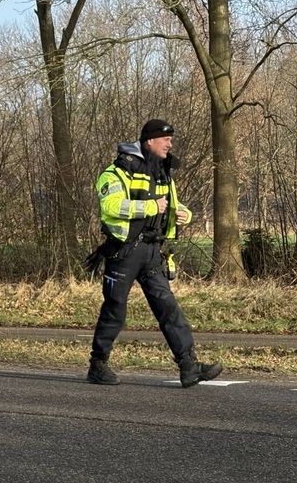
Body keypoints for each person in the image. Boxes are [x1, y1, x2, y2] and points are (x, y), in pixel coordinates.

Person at [84, 119, 222, 388]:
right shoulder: (116, 172)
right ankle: (98, 364)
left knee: (168, 307)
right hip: (124, 251)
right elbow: (110, 207)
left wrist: (184, 213)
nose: (170, 144)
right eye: (165, 139)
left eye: (171, 140)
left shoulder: (162, 171)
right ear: (150, 141)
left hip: (152, 252)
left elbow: (170, 203)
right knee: (115, 310)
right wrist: (149, 207)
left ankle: (188, 365)